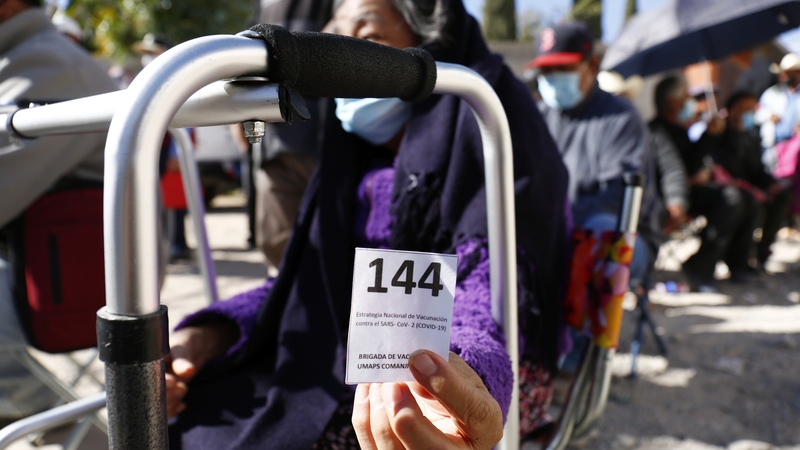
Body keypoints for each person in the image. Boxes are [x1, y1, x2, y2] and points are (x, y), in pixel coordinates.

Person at [165, 0, 570, 446]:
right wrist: (206, 335)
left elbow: (492, 294)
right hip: (366, 345)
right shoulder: (351, 167)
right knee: (193, 416)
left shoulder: (496, 133)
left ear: (429, 47)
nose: (346, 62)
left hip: (486, 361)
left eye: (370, 38)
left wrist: (463, 371)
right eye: (336, 40)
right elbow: (309, 287)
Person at [0, 0, 118, 423]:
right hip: (34, 269)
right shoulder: (24, 58)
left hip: (72, 285)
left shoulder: (50, 65)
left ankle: (37, 411)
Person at [524, 22, 654, 288]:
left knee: (601, 231)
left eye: (564, 69)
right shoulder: (537, 118)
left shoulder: (620, 117)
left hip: (619, 238)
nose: (553, 78)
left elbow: (618, 198)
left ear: (592, 64)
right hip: (553, 235)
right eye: (547, 71)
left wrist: (556, 223)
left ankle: (579, 330)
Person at [649, 75, 757, 290]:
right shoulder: (655, 131)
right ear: (672, 102)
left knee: (745, 198)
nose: (691, 102)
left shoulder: (679, 129)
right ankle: (698, 268)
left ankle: (737, 263)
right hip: (668, 198)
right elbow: (673, 170)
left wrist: (710, 135)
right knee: (731, 200)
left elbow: (691, 161)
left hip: (687, 191)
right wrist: (679, 196)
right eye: (687, 97)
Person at [252, 0, 331, 269]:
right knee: (277, 244)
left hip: (326, 136)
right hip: (275, 143)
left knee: (332, 245)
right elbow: (252, 45)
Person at [715, 91, 793, 268]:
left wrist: (770, 184)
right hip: (733, 187)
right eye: (746, 109)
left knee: (783, 197)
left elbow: (756, 168)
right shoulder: (722, 132)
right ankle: (738, 260)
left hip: (751, 185)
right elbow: (729, 169)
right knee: (750, 202)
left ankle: (761, 250)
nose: (751, 113)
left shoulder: (750, 134)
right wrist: (734, 131)